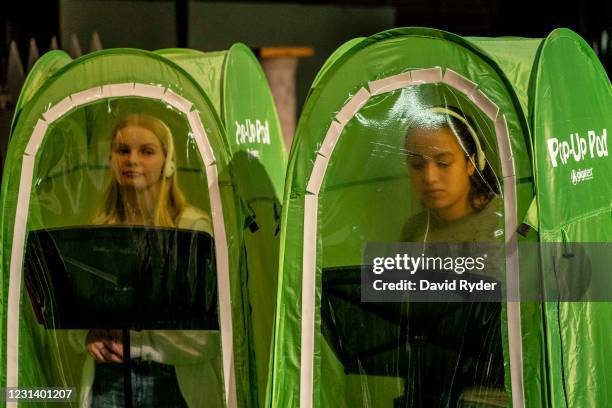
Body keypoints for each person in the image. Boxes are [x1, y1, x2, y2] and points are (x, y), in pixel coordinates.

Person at [70, 114, 222, 407]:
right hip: (107, 380)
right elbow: (77, 312)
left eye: (147, 151)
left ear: (168, 161)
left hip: (172, 381)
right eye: (123, 150)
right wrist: (87, 337)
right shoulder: (99, 229)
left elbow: (207, 336)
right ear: (112, 159)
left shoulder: (192, 229)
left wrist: (139, 344)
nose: (132, 160)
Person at [401, 106, 505, 407]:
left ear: (472, 163)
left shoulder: (505, 224)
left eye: (443, 162)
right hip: (430, 391)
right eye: (417, 165)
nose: (429, 176)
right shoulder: (413, 232)